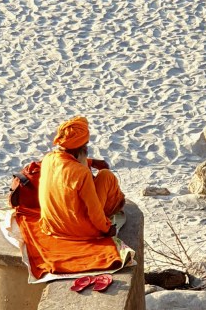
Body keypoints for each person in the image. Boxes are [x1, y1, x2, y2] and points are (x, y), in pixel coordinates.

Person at [17, 115, 131, 279]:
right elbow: (94, 213)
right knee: (106, 176)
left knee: (98, 179)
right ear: (82, 147)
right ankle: (117, 204)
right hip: (80, 231)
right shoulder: (81, 173)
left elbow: (65, 163)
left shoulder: (48, 159)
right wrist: (107, 229)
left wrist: (91, 162)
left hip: (52, 226)